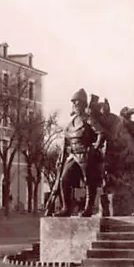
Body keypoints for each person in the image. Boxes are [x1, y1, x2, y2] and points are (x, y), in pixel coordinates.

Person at [51, 88, 106, 217]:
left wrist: (95, 148)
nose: (75, 105)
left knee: (88, 180)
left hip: (85, 154)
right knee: (64, 179)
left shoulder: (88, 119)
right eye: (73, 103)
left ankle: (88, 208)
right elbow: (66, 141)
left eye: (77, 102)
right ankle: (66, 208)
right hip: (72, 155)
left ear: (83, 104)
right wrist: (61, 157)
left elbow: (101, 133)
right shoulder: (70, 123)